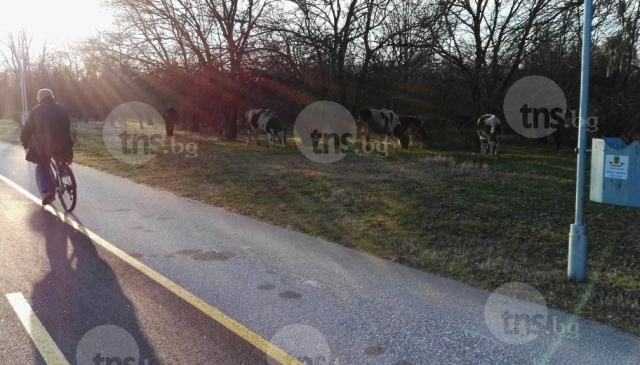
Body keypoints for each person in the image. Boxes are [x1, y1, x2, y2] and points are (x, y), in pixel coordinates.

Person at [20, 89, 74, 206]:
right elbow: (67, 125)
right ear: (52, 97)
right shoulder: (61, 109)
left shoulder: (36, 110)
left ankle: (48, 191)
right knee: (63, 159)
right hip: (63, 142)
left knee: (41, 166)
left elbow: (27, 130)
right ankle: (63, 170)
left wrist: (25, 143)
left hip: (45, 144)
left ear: (40, 98)